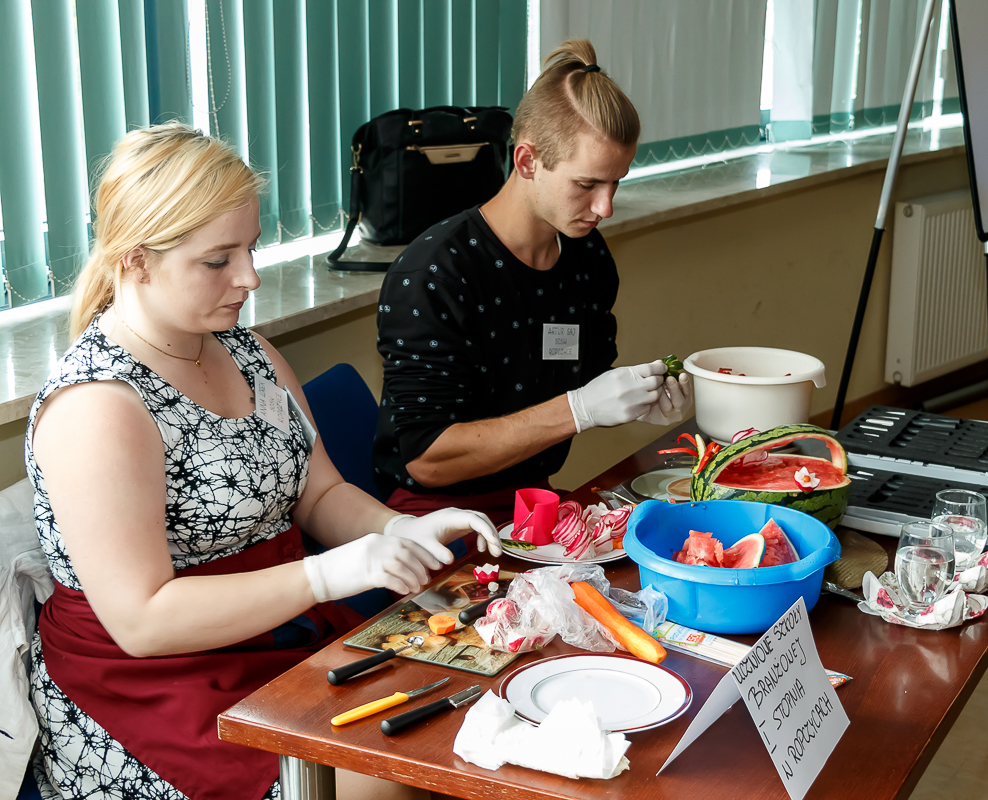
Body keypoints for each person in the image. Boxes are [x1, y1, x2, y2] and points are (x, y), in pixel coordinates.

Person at [25, 124, 501, 800]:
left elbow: (320, 493)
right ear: (135, 260)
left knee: (462, 713)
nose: (248, 278)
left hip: (272, 633)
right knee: (392, 776)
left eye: (249, 248)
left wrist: (394, 531)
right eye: (218, 260)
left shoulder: (244, 350)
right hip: (157, 683)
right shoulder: (99, 407)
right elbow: (143, 620)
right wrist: (329, 572)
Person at [374, 40, 692, 522]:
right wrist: (581, 409)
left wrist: (637, 400)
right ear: (527, 162)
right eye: (587, 185)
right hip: (434, 516)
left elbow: (580, 383)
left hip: (532, 498)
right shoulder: (435, 275)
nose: (605, 208)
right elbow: (428, 459)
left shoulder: (586, 255)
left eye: (616, 182)